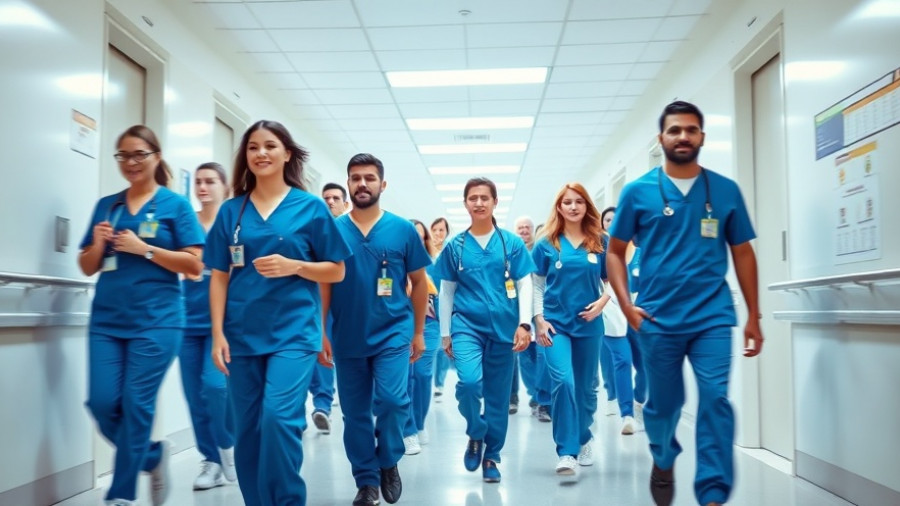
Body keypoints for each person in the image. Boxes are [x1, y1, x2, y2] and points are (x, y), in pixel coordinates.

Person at [606, 101, 764, 506]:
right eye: (674, 130)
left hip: (712, 316)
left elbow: (743, 252)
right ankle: (662, 456)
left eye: (691, 130)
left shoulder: (725, 190)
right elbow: (615, 251)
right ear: (662, 139)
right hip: (657, 318)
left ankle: (712, 492)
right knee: (662, 406)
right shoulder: (637, 191)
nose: (683, 137)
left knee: (715, 399)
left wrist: (753, 316)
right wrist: (626, 305)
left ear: (702, 138)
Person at [207, 120, 351, 506]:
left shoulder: (310, 208)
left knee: (278, 419)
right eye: (253, 147)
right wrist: (217, 333)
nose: (261, 153)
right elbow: (219, 276)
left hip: (294, 331)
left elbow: (336, 269)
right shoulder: (231, 212)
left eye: (270, 145)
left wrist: (296, 266)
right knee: (248, 429)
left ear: (287, 153)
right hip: (241, 333)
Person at [78, 125, 205, 506]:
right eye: (124, 156)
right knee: (101, 403)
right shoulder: (108, 206)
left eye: (139, 155)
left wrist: (143, 248)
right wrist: (99, 244)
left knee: (137, 403)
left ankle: (120, 495)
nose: (131, 163)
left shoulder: (175, 205)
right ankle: (151, 455)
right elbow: (87, 266)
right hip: (107, 322)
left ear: (156, 157)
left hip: (158, 321)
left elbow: (194, 266)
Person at [320, 153, 431, 506]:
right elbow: (323, 285)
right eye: (355, 178)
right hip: (347, 334)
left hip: (393, 333)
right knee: (354, 415)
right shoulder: (333, 230)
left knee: (394, 401)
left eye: (369, 178)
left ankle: (388, 459)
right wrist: (320, 331)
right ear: (349, 184)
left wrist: (417, 333)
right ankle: (366, 481)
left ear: (383, 185)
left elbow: (419, 282)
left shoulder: (402, 230)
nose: (362, 184)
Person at [434, 177, 535, 483]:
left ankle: (491, 456)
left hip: (504, 328)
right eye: (473, 198)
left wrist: (525, 323)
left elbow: (525, 282)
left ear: (495, 202)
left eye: (484, 198)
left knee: (497, 398)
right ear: (465, 204)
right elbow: (446, 290)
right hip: (467, 326)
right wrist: (445, 332)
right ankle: (476, 432)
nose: (478, 203)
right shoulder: (455, 247)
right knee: (468, 382)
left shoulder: (511, 243)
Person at [532, 183, 607, 478]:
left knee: (586, 390)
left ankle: (584, 435)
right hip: (555, 325)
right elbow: (536, 284)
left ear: (587, 206)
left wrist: (602, 301)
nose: (573, 207)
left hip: (589, 325)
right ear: (559, 207)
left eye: (579, 202)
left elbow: (612, 279)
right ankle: (566, 452)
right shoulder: (546, 243)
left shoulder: (600, 240)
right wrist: (538, 318)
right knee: (563, 382)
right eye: (567, 202)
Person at [179, 162, 237, 490]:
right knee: (194, 396)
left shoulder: (232, 223)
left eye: (210, 181)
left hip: (223, 323)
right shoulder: (185, 223)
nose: (202, 187)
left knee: (215, 388)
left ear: (224, 186)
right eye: (199, 181)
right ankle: (211, 460)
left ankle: (227, 443)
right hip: (185, 321)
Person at [307, 182, 349, 434]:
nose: (330, 202)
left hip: (346, 303)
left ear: (346, 204)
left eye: (335, 198)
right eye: (326, 198)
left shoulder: (350, 232)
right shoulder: (312, 231)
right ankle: (321, 404)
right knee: (316, 348)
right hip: (316, 301)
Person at [599, 206, 642, 435]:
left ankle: (639, 400)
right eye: (608, 220)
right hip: (612, 316)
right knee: (622, 361)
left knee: (644, 367)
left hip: (640, 317)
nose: (613, 224)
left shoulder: (641, 252)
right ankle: (627, 414)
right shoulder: (599, 251)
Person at [401, 219, 441, 456]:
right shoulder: (394, 262)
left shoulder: (435, 264)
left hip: (430, 325)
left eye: (420, 235)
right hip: (401, 325)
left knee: (424, 375)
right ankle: (408, 431)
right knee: (405, 377)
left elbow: (445, 295)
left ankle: (419, 423)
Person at [512, 216, 552, 421]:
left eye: (527, 227)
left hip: (542, 311)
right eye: (520, 228)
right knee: (526, 358)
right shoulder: (511, 252)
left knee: (543, 356)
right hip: (519, 312)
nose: (524, 231)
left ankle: (543, 398)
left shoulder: (541, 250)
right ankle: (536, 395)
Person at [430, 217, 452, 402]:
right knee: (431, 346)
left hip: (445, 305)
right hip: (428, 306)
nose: (438, 233)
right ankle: (430, 380)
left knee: (443, 346)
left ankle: (440, 383)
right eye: (435, 230)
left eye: (441, 230)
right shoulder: (424, 253)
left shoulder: (449, 253)